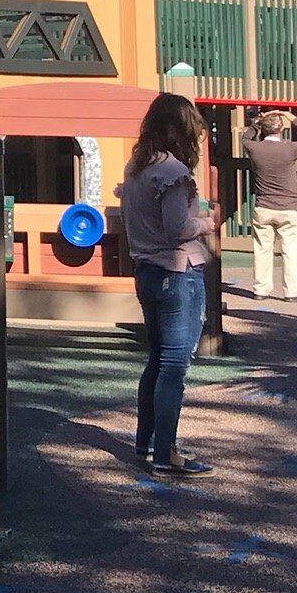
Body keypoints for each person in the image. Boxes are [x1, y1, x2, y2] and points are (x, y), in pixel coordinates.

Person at [121, 93, 218, 478]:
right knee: (175, 364)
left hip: (146, 269)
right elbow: (178, 228)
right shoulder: (173, 171)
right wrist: (207, 223)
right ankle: (166, 451)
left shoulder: (138, 167)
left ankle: (146, 442)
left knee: (157, 359)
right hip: (177, 272)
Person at [244, 109, 297, 304]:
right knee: (289, 252)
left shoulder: (254, 148)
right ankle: (291, 292)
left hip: (264, 205)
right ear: (282, 129)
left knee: (262, 250)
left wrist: (258, 122)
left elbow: (245, 137)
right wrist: (294, 119)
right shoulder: (289, 148)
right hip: (288, 206)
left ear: (263, 129)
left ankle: (261, 289)